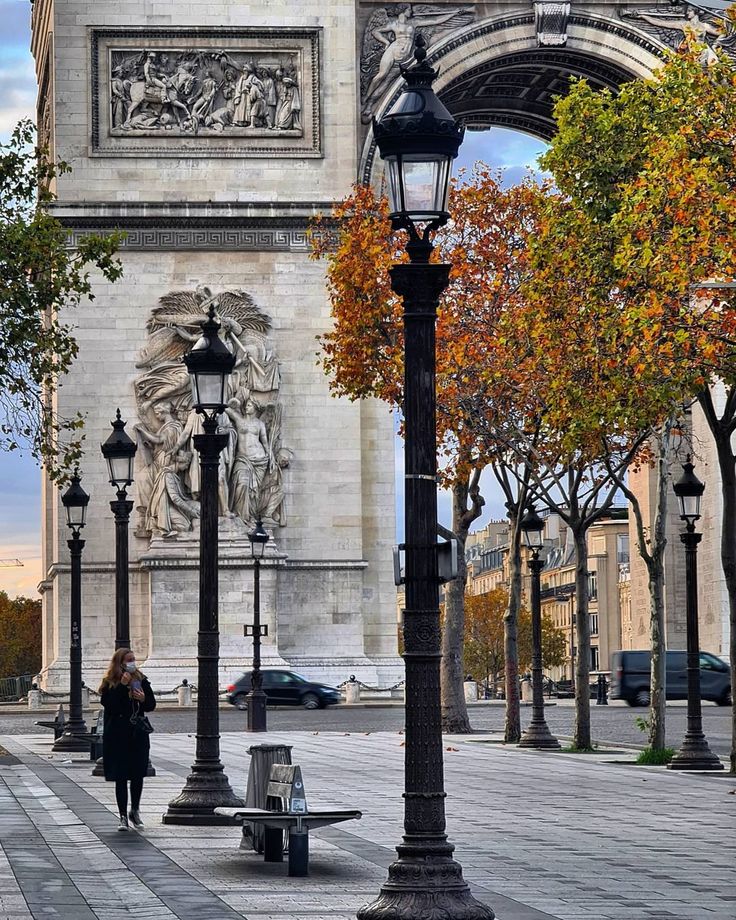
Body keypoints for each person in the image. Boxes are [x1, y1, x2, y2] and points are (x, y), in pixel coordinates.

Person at [99, 648, 156, 831]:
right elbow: (110, 706)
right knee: (121, 776)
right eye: (129, 660)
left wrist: (143, 698)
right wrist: (123, 687)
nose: (132, 662)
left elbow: (151, 705)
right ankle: (122, 815)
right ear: (120, 662)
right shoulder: (110, 682)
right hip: (118, 734)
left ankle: (135, 810)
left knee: (138, 774)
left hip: (137, 733)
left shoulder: (141, 679)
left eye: (133, 659)